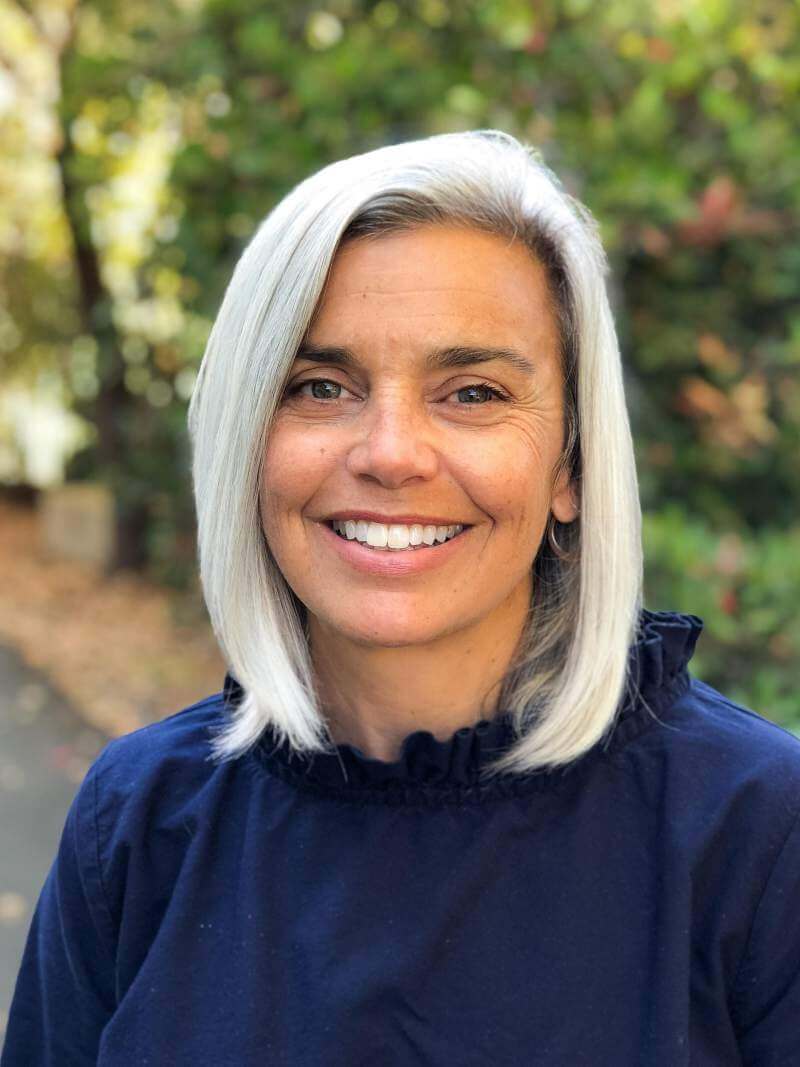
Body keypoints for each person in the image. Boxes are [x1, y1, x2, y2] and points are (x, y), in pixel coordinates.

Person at [3, 130, 798, 1066]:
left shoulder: (758, 832)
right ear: (247, 440)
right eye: (321, 385)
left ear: (571, 464)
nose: (390, 453)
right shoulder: (137, 822)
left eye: (473, 392)